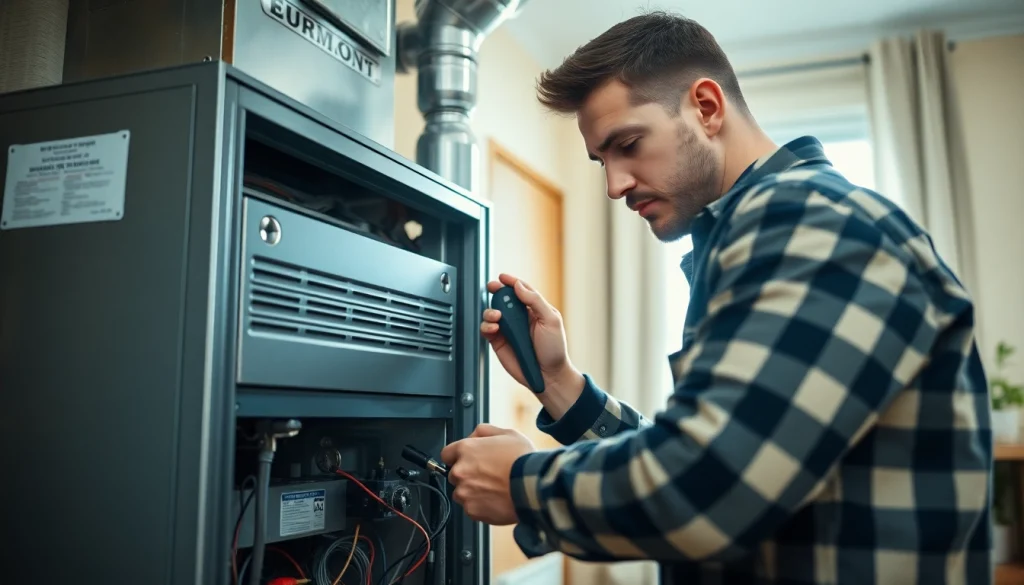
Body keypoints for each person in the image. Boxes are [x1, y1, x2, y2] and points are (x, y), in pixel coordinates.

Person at [439, 11, 992, 584]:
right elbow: (722, 456)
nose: (614, 185)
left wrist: (522, 485)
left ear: (706, 106)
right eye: (603, 161)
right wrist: (560, 384)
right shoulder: (763, 234)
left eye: (628, 145)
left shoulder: (810, 221)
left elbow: (711, 489)